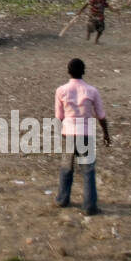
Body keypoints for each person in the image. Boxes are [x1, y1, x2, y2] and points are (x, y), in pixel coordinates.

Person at [54, 58, 109, 215]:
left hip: (69, 134)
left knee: (66, 168)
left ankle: (62, 199)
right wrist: (106, 134)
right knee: (88, 171)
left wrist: (59, 135)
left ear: (68, 71)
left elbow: (59, 116)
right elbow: (101, 115)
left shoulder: (61, 91)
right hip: (86, 134)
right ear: (84, 71)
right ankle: (89, 206)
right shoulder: (92, 91)